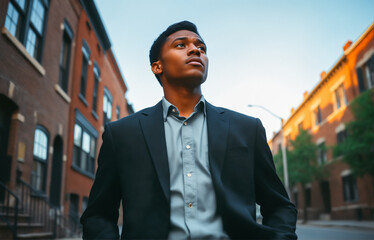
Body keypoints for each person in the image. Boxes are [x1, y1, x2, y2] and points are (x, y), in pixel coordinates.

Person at [80, 20, 297, 239]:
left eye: (201, 48)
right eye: (181, 45)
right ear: (157, 66)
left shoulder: (247, 129)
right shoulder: (122, 134)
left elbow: (279, 206)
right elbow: (98, 215)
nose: (195, 50)